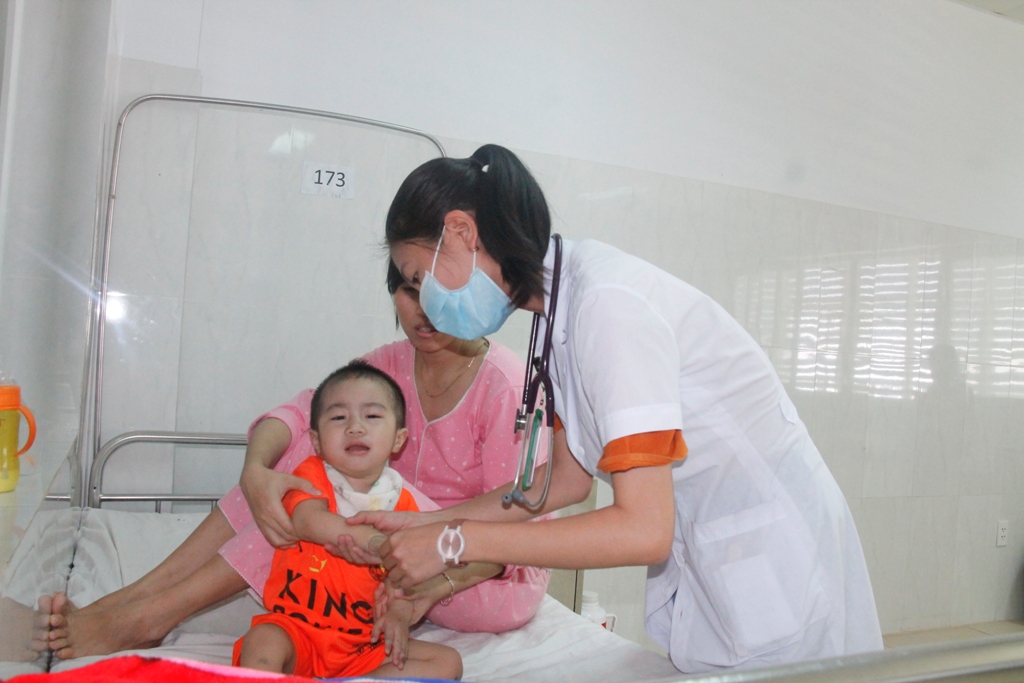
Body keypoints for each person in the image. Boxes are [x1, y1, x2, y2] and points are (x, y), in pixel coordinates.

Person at [353, 143, 884, 673]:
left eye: (419, 278)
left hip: (777, 555)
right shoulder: (557, 312)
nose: (424, 303)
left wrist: (454, 541)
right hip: (723, 553)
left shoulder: (607, 305)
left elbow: (644, 530)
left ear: (462, 232)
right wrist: (428, 523)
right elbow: (564, 481)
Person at [45, 275, 548, 659]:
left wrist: (428, 582)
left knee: (309, 504)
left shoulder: (504, 385)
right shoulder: (390, 363)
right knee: (305, 451)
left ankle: (150, 615)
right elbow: (301, 411)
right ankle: (136, 599)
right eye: (409, 291)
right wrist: (255, 472)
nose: (424, 311)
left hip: (477, 572)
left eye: (439, 293)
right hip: (385, 541)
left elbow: (516, 528)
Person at [233, 360, 462, 679]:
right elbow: (309, 522)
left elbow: (406, 578)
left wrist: (399, 613)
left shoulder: (404, 504)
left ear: (398, 440)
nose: (355, 427)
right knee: (262, 642)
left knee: (448, 663)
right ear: (316, 441)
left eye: (372, 416)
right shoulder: (312, 474)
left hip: (363, 645)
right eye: (339, 417)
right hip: (297, 633)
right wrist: (375, 542)